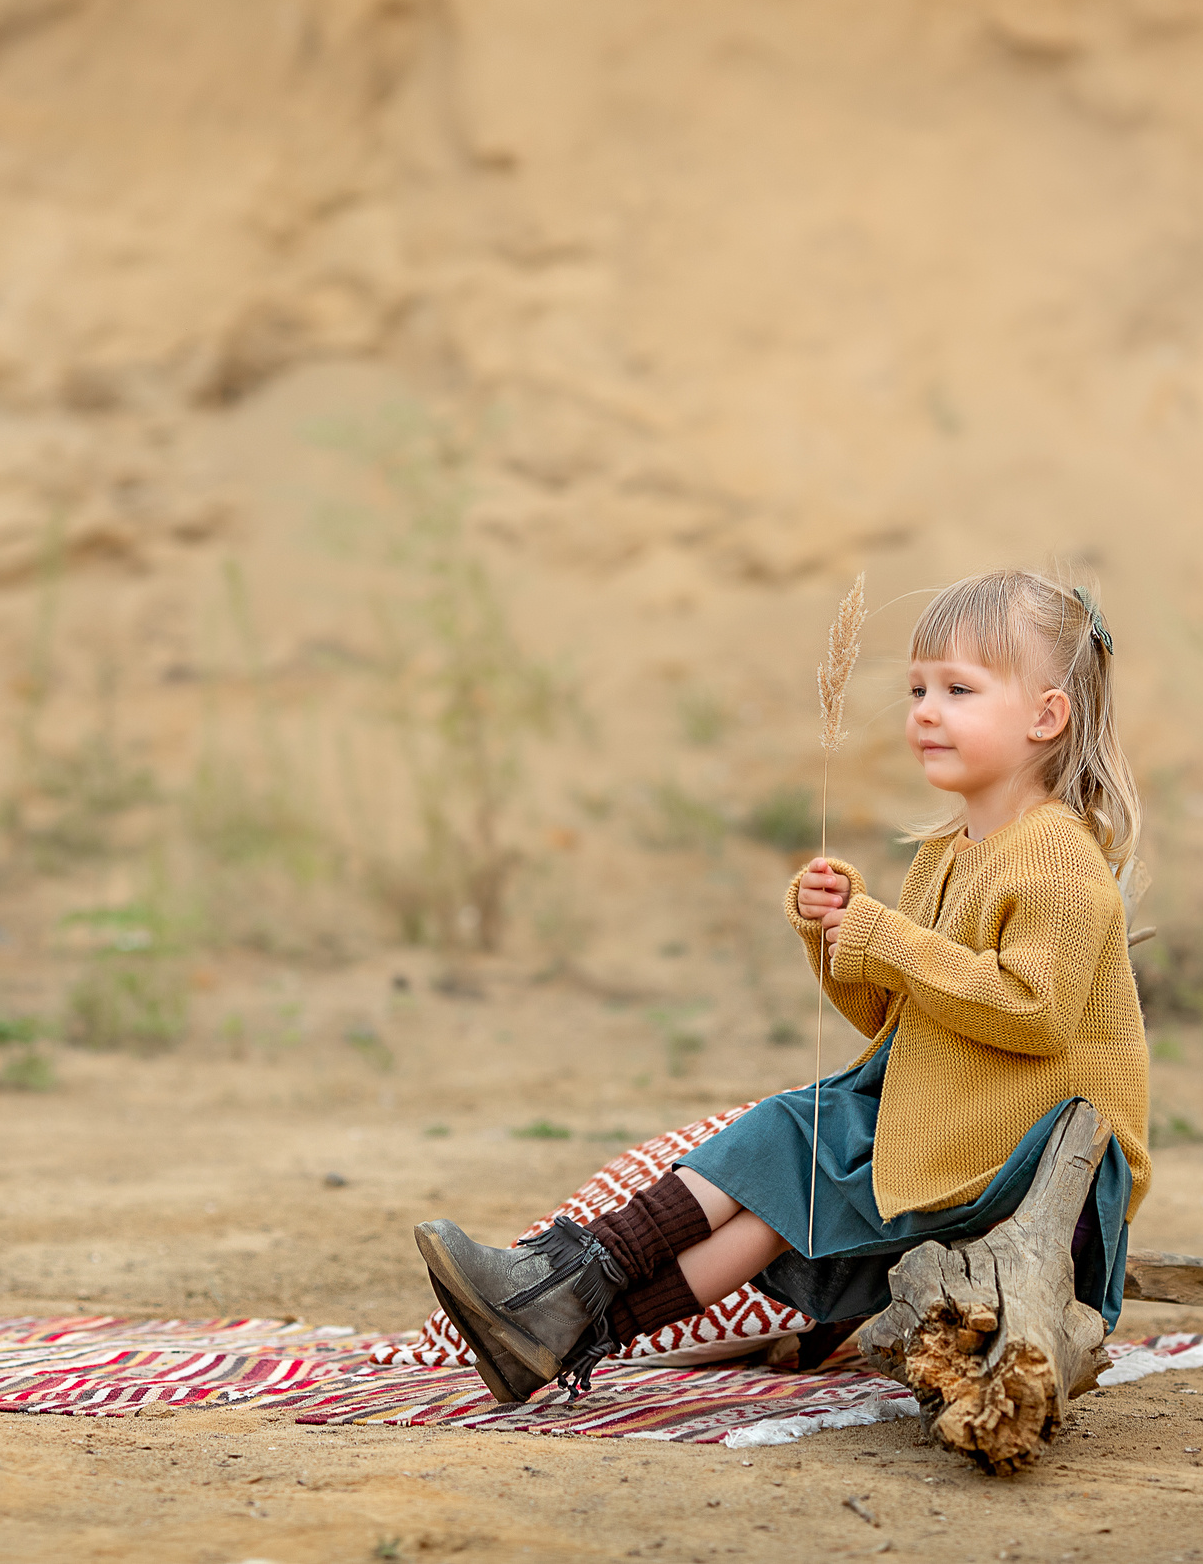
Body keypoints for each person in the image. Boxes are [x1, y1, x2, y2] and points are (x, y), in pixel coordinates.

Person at [415, 570, 1155, 1404]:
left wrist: (889, 939)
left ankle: (563, 1280)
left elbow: (1035, 1011)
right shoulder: (949, 852)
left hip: (1037, 1146)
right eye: (917, 687)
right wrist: (836, 937)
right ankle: (566, 1325)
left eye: (959, 688)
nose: (924, 710)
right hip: (956, 1110)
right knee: (780, 1180)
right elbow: (889, 1017)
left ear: (1046, 716)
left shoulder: (1055, 853)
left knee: (792, 1137)